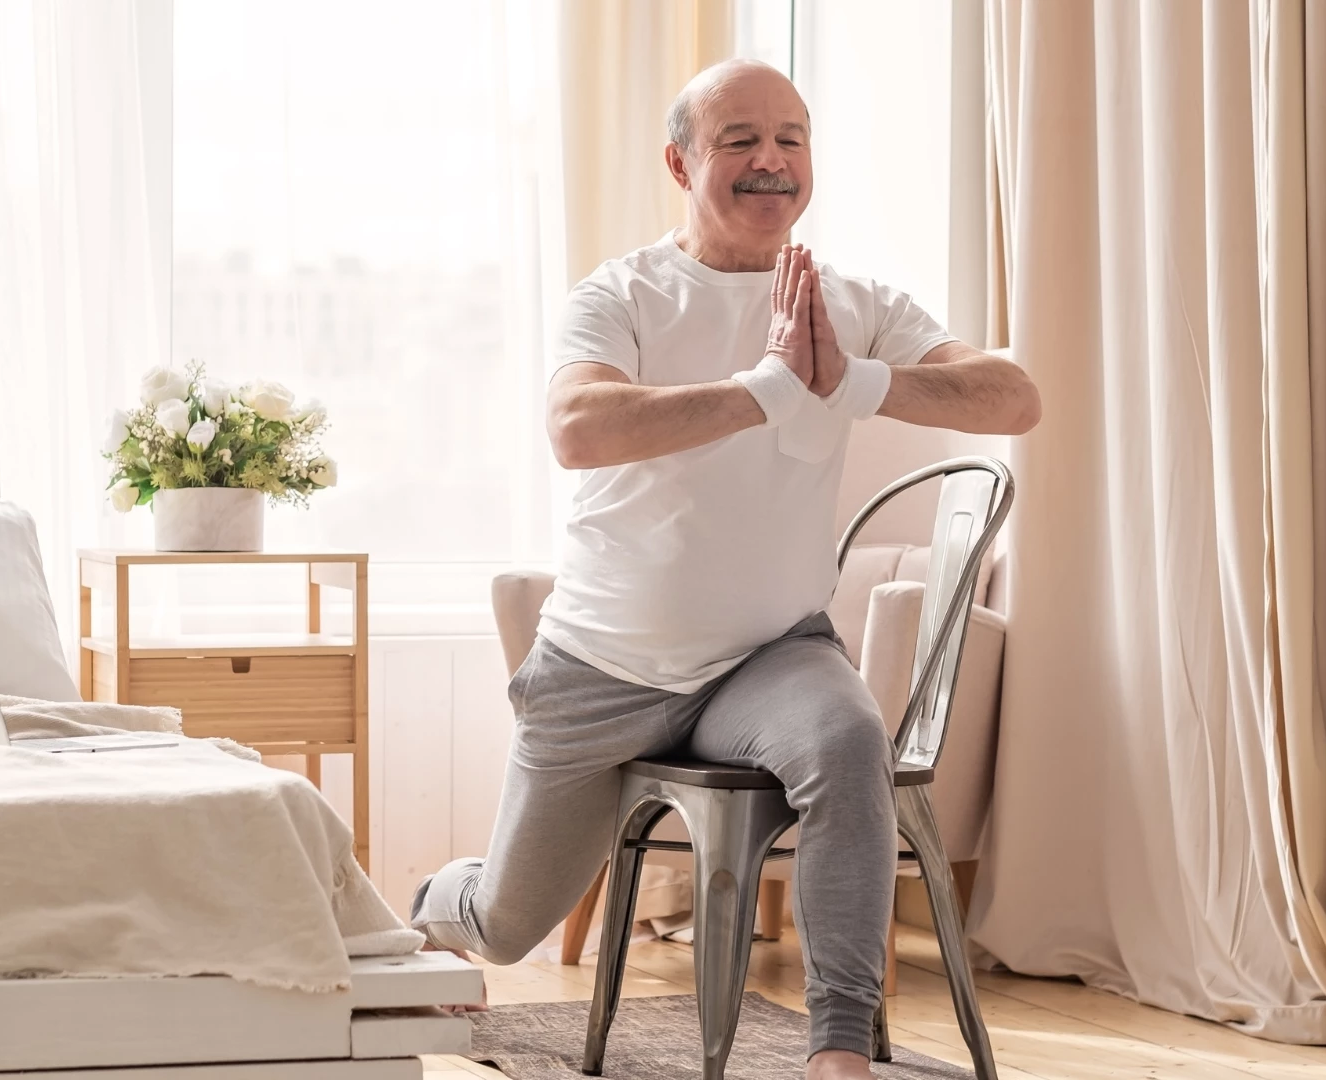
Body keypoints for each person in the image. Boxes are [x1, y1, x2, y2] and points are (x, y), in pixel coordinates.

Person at [412, 58, 1041, 1080]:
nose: (771, 160)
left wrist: (860, 379)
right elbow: (578, 428)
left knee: (847, 741)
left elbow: (1012, 399)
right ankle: (436, 906)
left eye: (791, 138)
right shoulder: (621, 294)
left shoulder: (853, 303)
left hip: (768, 655)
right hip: (603, 664)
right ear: (681, 161)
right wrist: (770, 391)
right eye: (740, 139)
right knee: (507, 923)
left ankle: (839, 1051)